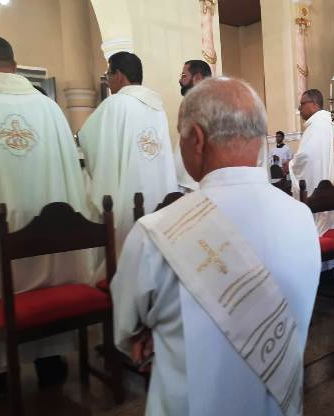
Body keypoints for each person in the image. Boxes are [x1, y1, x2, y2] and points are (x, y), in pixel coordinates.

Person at [111, 77, 321, 415]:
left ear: (196, 138)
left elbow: (126, 329)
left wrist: (149, 336)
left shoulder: (156, 232)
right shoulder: (301, 217)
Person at [0, 36, 89, 390]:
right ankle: (50, 358)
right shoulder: (48, 108)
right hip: (49, 236)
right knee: (47, 277)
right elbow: (70, 177)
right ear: (14, 66)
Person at [79, 52, 178, 253]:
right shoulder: (157, 108)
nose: (108, 81)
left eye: (108, 74)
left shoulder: (114, 104)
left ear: (119, 75)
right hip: (159, 195)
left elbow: (86, 140)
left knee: (125, 246)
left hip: (128, 199)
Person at [290, 89, 334, 233]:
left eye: (302, 104)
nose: (300, 109)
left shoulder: (316, 126)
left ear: (314, 104)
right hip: (330, 186)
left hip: (316, 188)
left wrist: (292, 164)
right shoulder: (327, 123)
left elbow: (306, 157)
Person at [175, 60, 213, 192]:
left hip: (194, 185)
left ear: (197, 78)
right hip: (187, 181)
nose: (180, 81)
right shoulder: (191, 103)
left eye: (184, 76)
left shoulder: (207, 105)